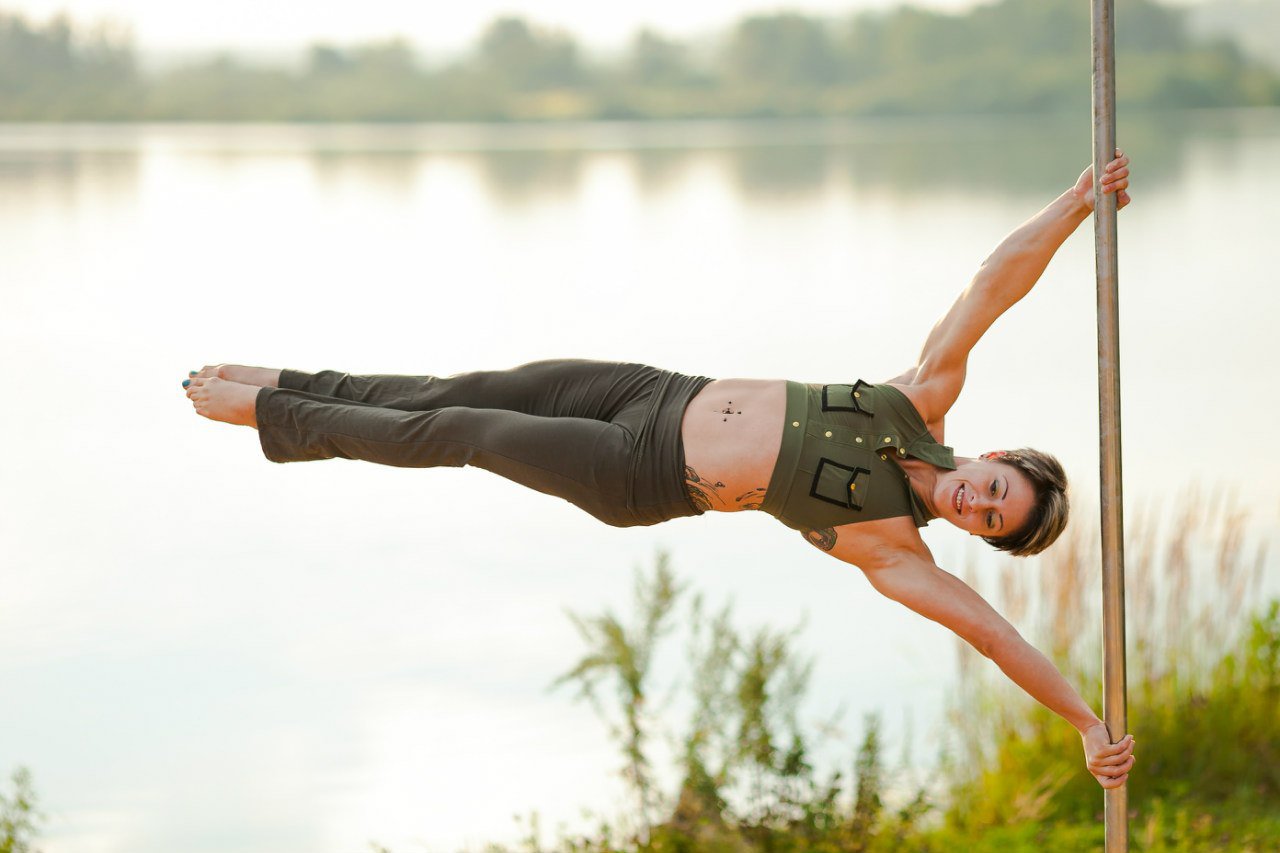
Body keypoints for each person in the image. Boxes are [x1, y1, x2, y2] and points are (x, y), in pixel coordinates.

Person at [184, 153, 1136, 788]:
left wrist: (1084, 720)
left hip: (637, 475)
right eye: (996, 491)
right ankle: (292, 381)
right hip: (651, 387)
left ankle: (272, 414)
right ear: (994, 458)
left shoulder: (892, 549)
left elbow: (997, 638)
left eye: (988, 525)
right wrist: (1076, 202)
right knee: (455, 386)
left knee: (465, 428)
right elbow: (991, 285)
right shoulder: (921, 395)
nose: (977, 507)